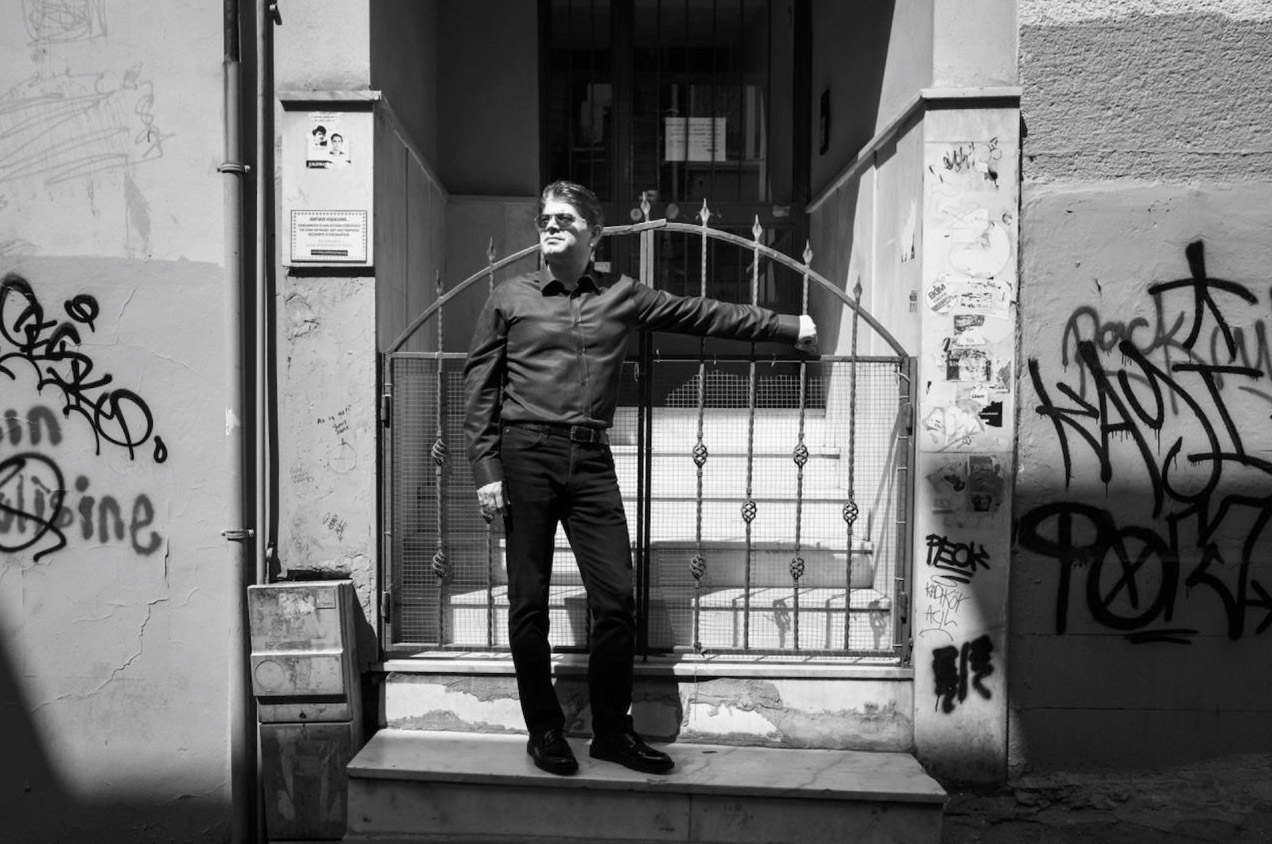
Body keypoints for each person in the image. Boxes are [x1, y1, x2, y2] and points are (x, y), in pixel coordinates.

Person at [463, 180, 818, 776]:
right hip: (526, 456)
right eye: (545, 219)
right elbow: (480, 387)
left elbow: (702, 312)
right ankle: (544, 729)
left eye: (565, 220)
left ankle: (611, 732)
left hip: (591, 460)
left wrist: (788, 325)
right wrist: (486, 470)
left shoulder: (621, 295)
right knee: (528, 603)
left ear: (594, 234)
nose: (551, 227)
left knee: (616, 601)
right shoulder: (509, 297)